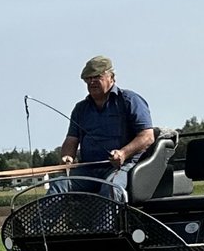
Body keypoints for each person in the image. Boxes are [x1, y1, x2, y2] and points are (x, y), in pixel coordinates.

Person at [49, 55, 155, 201]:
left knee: (111, 187)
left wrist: (123, 153)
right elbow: (71, 140)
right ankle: (39, 224)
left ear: (111, 77)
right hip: (89, 169)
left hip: (122, 167)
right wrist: (67, 157)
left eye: (96, 77)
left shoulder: (130, 100)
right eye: (88, 79)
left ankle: (105, 225)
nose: (91, 82)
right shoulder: (81, 109)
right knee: (59, 184)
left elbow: (147, 136)